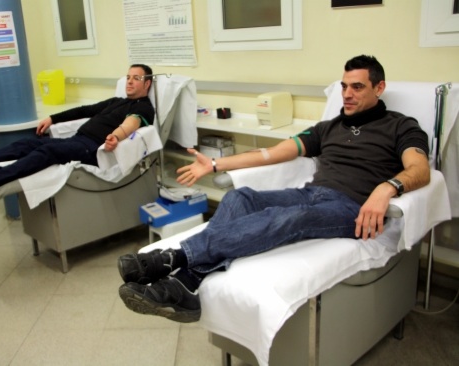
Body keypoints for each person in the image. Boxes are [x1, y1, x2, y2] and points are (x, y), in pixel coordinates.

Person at [117, 55, 431, 323]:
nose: (347, 94)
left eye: (357, 87)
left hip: (352, 208)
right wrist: (215, 166)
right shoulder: (329, 128)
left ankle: (174, 259)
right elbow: (275, 152)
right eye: (344, 86)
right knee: (240, 196)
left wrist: (386, 189)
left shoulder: (401, 126)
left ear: (379, 88)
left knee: (291, 218)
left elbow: (419, 169)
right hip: (312, 194)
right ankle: (190, 284)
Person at [0, 64, 155, 197]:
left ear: (147, 84)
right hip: (80, 140)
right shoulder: (116, 100)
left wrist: (115, 136)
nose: (129, 82)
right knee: (26, 143)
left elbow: (132, 124)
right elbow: (85, 109)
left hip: (94, 150)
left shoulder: (144, 107)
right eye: (128, 77)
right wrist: (52, 118)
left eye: (136, 78)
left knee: (46, 153)